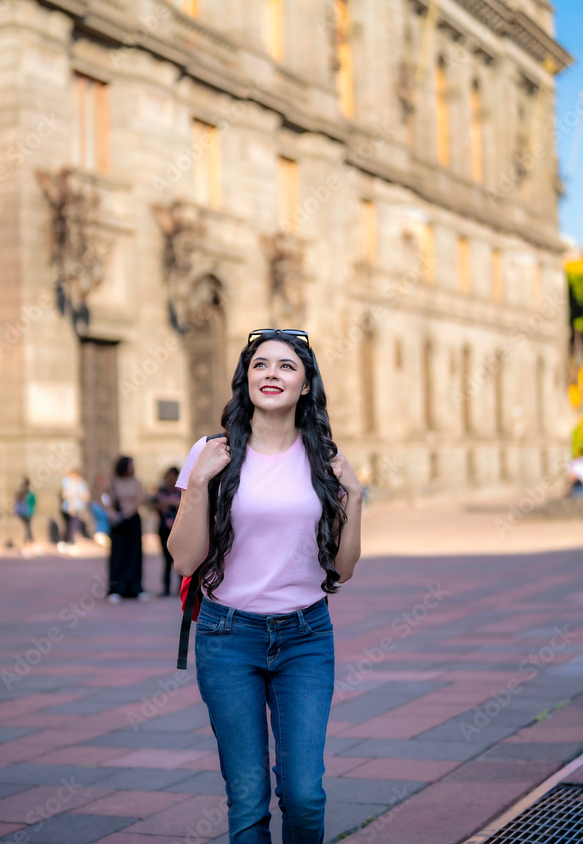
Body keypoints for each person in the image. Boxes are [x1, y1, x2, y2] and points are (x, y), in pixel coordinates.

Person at [168, 328, 363, 843]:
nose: (271, 373)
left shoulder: (324, 459)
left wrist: (356, 500)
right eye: (260, 364)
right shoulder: (212, 452)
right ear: (245, 379)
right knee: (248, 800)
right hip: (227, 636)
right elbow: (185, 558)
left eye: (285, 366)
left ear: (305, 386)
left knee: (303, 794)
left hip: (306, 638)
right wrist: (198, 487)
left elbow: (341, 572)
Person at [100, 456, 150, 602]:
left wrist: (131, 508)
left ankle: (135, 588)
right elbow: (99, 496)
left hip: (133, 520)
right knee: (117, 555)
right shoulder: (112, 481)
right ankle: (116, 589)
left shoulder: (136, 482)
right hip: (118, 521)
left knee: (134, 554)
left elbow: (142, 497)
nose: (132, 467)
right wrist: (110, 512)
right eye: (130, 465)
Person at [150, 467, 181, 596]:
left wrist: (172, 503)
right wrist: (169, 502)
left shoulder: (181, 490)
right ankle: (166, 587)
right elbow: (153, 505)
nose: (171, 479)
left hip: (179, 529)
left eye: (173, 476)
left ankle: (181, 587)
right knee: (166, 559)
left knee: (179, 559)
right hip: (164, 529)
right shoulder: (161, 490)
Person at [59, 468, 90, 553]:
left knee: (70, 526)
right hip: (72, 507)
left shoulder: (66, 481)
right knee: (72, 526)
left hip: (70, 507)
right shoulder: (74, 482)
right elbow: (85, 495)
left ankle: (68, 542)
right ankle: (70, 543)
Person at [15, 476, 37, 557]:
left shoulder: (20, 492)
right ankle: (27, 547)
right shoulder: (29, 492)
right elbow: (33, 501)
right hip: (28, 512)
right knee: (28, 529)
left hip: (21, 513)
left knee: (28, 529)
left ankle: (30, 545)